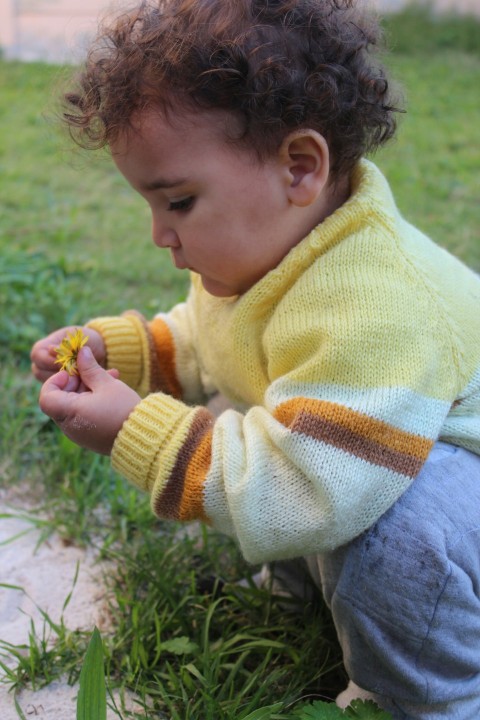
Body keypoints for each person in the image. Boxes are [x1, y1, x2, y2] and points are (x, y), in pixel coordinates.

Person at [31, 0, 480, 717]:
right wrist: (121, 354)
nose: (159, 235)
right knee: (247, 405)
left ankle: (423, 694)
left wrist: (132, 432)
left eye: (178, 202)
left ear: (299, 168)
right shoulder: (275, 254)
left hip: (452, 494)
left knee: (396, 534)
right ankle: (306, 595)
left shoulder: (374, 304)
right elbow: (214, 344)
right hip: (361, 463)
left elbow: (312, 483)